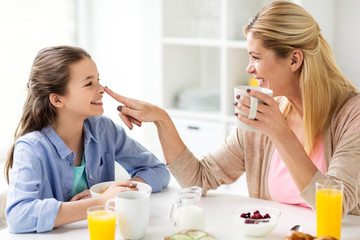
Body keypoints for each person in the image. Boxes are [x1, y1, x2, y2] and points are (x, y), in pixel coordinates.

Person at [104, 0, 360, 216]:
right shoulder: (263, 115)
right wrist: (162, 120)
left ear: (294, 59)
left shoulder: (352, 115)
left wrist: (280, 133)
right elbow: (199, 179)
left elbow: (337, 206)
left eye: (256, 57)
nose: (249, 68)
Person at [4, 46, 170, 233]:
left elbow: (158, 171)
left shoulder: (104, 129)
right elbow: (18, 216)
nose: (102, 89)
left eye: (98, 80)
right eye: (89, 84)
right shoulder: (31, 148)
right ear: (57, 100)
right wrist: (99, 202)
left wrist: (119, 193)